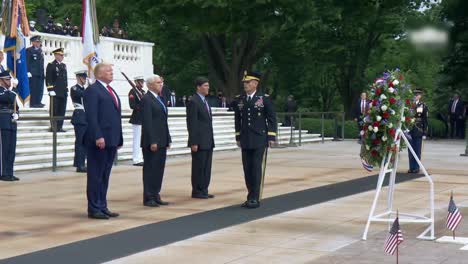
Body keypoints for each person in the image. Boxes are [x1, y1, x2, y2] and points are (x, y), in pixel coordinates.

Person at [83, 63, 123, 219]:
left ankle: (102, 204)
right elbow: (92, 117)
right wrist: (98, 136)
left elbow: (114, 117)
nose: (111, 73)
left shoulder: (110, 90)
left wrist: (118, 138)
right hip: (98, 140)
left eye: (112, 71)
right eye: (108, 71)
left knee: (105, 175)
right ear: (99, 74)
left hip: (111, 139)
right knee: (96, 175)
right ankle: (94, 207)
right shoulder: (93, 90)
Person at [234, 71, 277, 209]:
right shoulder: (240, 99)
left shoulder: (263, 98)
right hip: (246, 139)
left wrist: (271, 136)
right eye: (244, 83)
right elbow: (237, 119)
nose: (245, 85)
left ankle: (255, 197)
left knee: (256, 168)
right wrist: (238, 136)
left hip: (259, 138)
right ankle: (250, 195)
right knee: (247, 169)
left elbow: (271, 118)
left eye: (248, 82)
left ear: (255, 83)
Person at [141, 75, 171, 207]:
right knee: (150, 169)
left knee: (159, 169)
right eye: (159, 82)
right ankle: (148, 196)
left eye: (161, 82)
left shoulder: (160, 99)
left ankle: (156, 194)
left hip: (162, 139)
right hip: (152, 140)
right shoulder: (147, 99)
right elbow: (147, 122)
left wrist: (168, 138)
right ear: (150, 85)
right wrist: (152, 140)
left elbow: (163, 121)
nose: (161, 84)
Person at [187, 77, 215, 199]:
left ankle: (204, 189)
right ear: (198, 87)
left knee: (206, 167)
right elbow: (192, 123)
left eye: (208, 85)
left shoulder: (205, 101)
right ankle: (197, 190)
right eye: (205, 85)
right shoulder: (194, 101)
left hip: (208, 140)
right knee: (199, 166)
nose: (207, 88)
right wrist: (194, 142)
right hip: (199, 141)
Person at [0, 70, 19, 181]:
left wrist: (17, 115)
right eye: (7, 79)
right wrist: (13, 90)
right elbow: (6, 98)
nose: (9, 81)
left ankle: (10, 172)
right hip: (3, 122)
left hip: (11, 123)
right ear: (1, 80)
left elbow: (16, 106)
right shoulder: (3, 92)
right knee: (4, 149)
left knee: (11, 149)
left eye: (9, 79)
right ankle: (3, 173)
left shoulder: (10, 92)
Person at [46, 48, 68, 132]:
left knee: (62, 110)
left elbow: (65, 79)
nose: (62, 57)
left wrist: (66, 89)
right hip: (55, 91)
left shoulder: (63, 65)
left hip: (63, 92)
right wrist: (50, 89)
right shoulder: (51, 65)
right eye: (60, 55)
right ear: (55, 55)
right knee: (54, 110)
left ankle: (60, 126)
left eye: (62, 55)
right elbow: (48, 78)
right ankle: (54, 126)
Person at [70, 70, 88, 173]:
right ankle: (79, 164)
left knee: (85, 142)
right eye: (83, 78)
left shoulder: (85, 89)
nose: (84, 80)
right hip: (79, 116)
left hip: (85, 117)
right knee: (80, 142)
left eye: (85, 78)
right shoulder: (74, 88)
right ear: (78, 78)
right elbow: (82, 95)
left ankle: (82, 163)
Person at [408, 90, 428, 174]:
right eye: (414, 95)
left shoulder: (423, 105)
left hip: (418, 129)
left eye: (417, 95)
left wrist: (425, 132)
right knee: (410, 149)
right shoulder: (409, 105)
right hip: (410, 129)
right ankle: (411, 167)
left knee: (417, 149)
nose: (415, 96)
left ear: (420, 96)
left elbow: (425, 120)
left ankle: (416, 167)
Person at [128, 76, 145, 166]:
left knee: (141, 139)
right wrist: (141, 106)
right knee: (137, 139)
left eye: (142, 81)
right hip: (137, 118)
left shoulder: (142, 92)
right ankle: (136, 159)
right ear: (136, 82)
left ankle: (140, 157)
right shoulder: (132, 92)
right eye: (140, 82)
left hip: (142, 118)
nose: (142, 83)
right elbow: (132, 105)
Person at [26, 35, 45, 108]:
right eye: (37, 42)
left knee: (40, 88)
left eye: (39, 42)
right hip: (33, 73)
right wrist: (28, 71)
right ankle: (33, 103)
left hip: (40, 73)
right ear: (33, 42)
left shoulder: (40, 50)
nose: (38, 43)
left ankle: (38, 101)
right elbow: (27, 61)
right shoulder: (29, 50)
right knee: (33, 88)